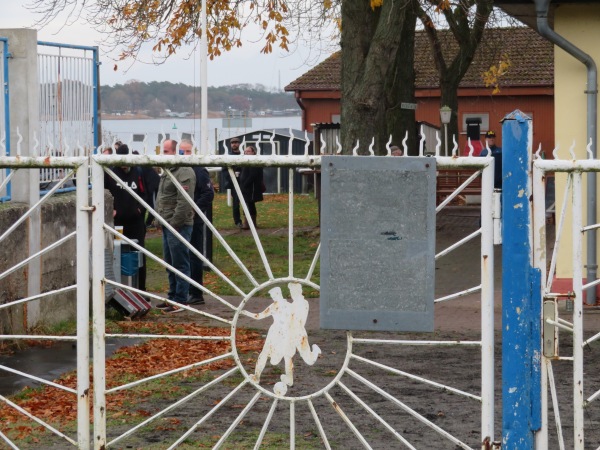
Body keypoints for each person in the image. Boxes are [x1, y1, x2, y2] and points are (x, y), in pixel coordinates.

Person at [155, 139, 196, 313]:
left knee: (179, 262)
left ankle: (180, 299)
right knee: (170, 262)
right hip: (167, 222)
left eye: (166, 151)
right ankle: (172, 296)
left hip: (178, 224)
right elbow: (162, 197)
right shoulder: (168, 170)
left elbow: (184, 201)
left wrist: (175, 224)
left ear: (174, 152)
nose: (163, 155)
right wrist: (159, 220)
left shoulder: (184, 171)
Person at [104, 144, 148, 291]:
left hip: (136, 223)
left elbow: (145, 194)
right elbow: (103, 194)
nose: (124, 166)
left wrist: (140, 210)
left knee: (139, 254)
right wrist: (111, 210)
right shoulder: (110, 173)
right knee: (117, 254)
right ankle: (119, 289)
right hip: (119, 224)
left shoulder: (138, 171)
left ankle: (141, 290)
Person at [180, 139, 214, 305]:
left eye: (187, 151)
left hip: (194, 219)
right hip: (180, 219)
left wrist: (194, 210)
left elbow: (208, 193)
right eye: (182, 151)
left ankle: (196, 292)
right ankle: (184, 289)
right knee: (182, 254)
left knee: (194, 255)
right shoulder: (179, 170)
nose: (184, 155)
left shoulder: (199, 170)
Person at [239, 145, 264, 230]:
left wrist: (246, 184)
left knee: (249, 203)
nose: (246, 153)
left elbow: (253, 175)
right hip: (245, 187)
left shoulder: (255, 162)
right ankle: (247, 223)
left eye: (248, 151)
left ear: (253, 152)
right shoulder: (245, 161)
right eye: (245, 151)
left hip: (251, 187)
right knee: (247, 203)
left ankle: (250, 223)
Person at [222, 137, 243, 228]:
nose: (234, 144)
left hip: (244, 182)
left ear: (239, 144)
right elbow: (224, 170)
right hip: (234, 183)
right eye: (232, 143)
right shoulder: (228, 156)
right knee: (236, 203)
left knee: (248, 202)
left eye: (236, 142)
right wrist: (232, 177)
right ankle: (237, 221)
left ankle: (249, 221)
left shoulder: (243, 155)